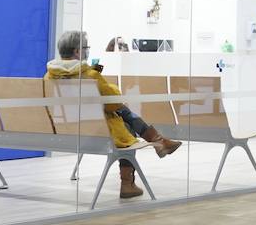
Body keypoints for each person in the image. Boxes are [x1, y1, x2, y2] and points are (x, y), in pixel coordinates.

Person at [46, 31, 181, 200]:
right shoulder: (90, 76)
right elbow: (114, 102)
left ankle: (158, 143)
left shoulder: (49, 77)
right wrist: (109, 85)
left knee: (123, 119)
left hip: (67, 131)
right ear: (77, 51)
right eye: (86, 48)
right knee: (127, 127)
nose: (88, 51)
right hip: (97, 133)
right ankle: (129, 181)